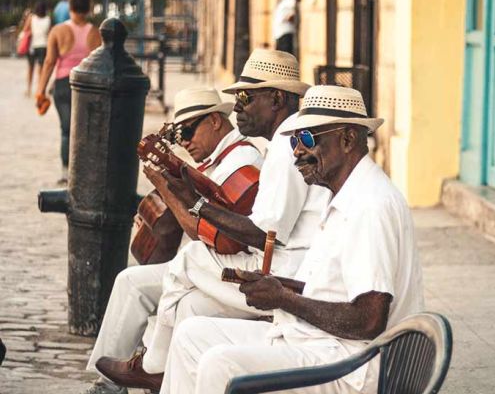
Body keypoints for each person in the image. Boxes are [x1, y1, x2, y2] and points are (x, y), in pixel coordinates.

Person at [90, 49, 331, 393]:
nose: (238, 108)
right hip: (285, 263)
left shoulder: (286, 144)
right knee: (189, 305)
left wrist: (197, 203)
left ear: (277, 98)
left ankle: (153, 365)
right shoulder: (286, 140)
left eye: (246, 98)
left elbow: (263, 232)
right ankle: (153, 376)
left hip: (286, 275)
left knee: (190, 258)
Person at [160, 85, 424, 394]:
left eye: (308, 139)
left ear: (348, 139)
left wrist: (284, 299)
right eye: (296, 140)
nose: (297, 151)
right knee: (192, 334)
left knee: (220, 364)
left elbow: (369, 319)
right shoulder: (343, 194)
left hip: (354, 365)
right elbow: (334, 289)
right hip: (322, 343)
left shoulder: (369, 206)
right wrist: (278, 288)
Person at [82, 87, 264, 394]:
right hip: (213, 263)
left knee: (144, 286)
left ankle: (138, 375)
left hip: (232, 267)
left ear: (216, 121)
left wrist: (166, 189)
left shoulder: (241, 160)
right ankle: (114, 381)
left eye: (188, 131)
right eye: (179, 135)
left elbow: (208, 232)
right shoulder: (214, 160)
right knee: (132, 281)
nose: (184, 142)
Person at [36, 0, 101, 184]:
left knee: (66, 129)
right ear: (89, 9)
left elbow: (49, 62)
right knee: (87, 129)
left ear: (69, 7)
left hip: (64, 84)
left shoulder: (57, 31)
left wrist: (40, 91)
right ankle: (85, 170)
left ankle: (66, 172)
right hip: (88, 85)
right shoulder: (96, 33)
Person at [21, 0, 51, 97]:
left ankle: (29, 89)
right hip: (43, 46)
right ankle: (39, 89)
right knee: (41, 69)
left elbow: (25, 29)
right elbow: (49, 33)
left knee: (31, 68)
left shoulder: (31, 18)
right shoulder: (48, 19)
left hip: (32, 46)